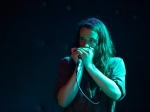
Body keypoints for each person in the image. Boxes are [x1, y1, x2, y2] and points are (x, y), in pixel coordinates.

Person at [54, 17, 126, 112]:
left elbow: (116, 94)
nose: (85, 45)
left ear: (101, 42)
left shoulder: (115, 63)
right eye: (82, 39)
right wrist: (79, 66)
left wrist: (89, 65)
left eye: (91, 40)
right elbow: (63, 101)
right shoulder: (67, 62)